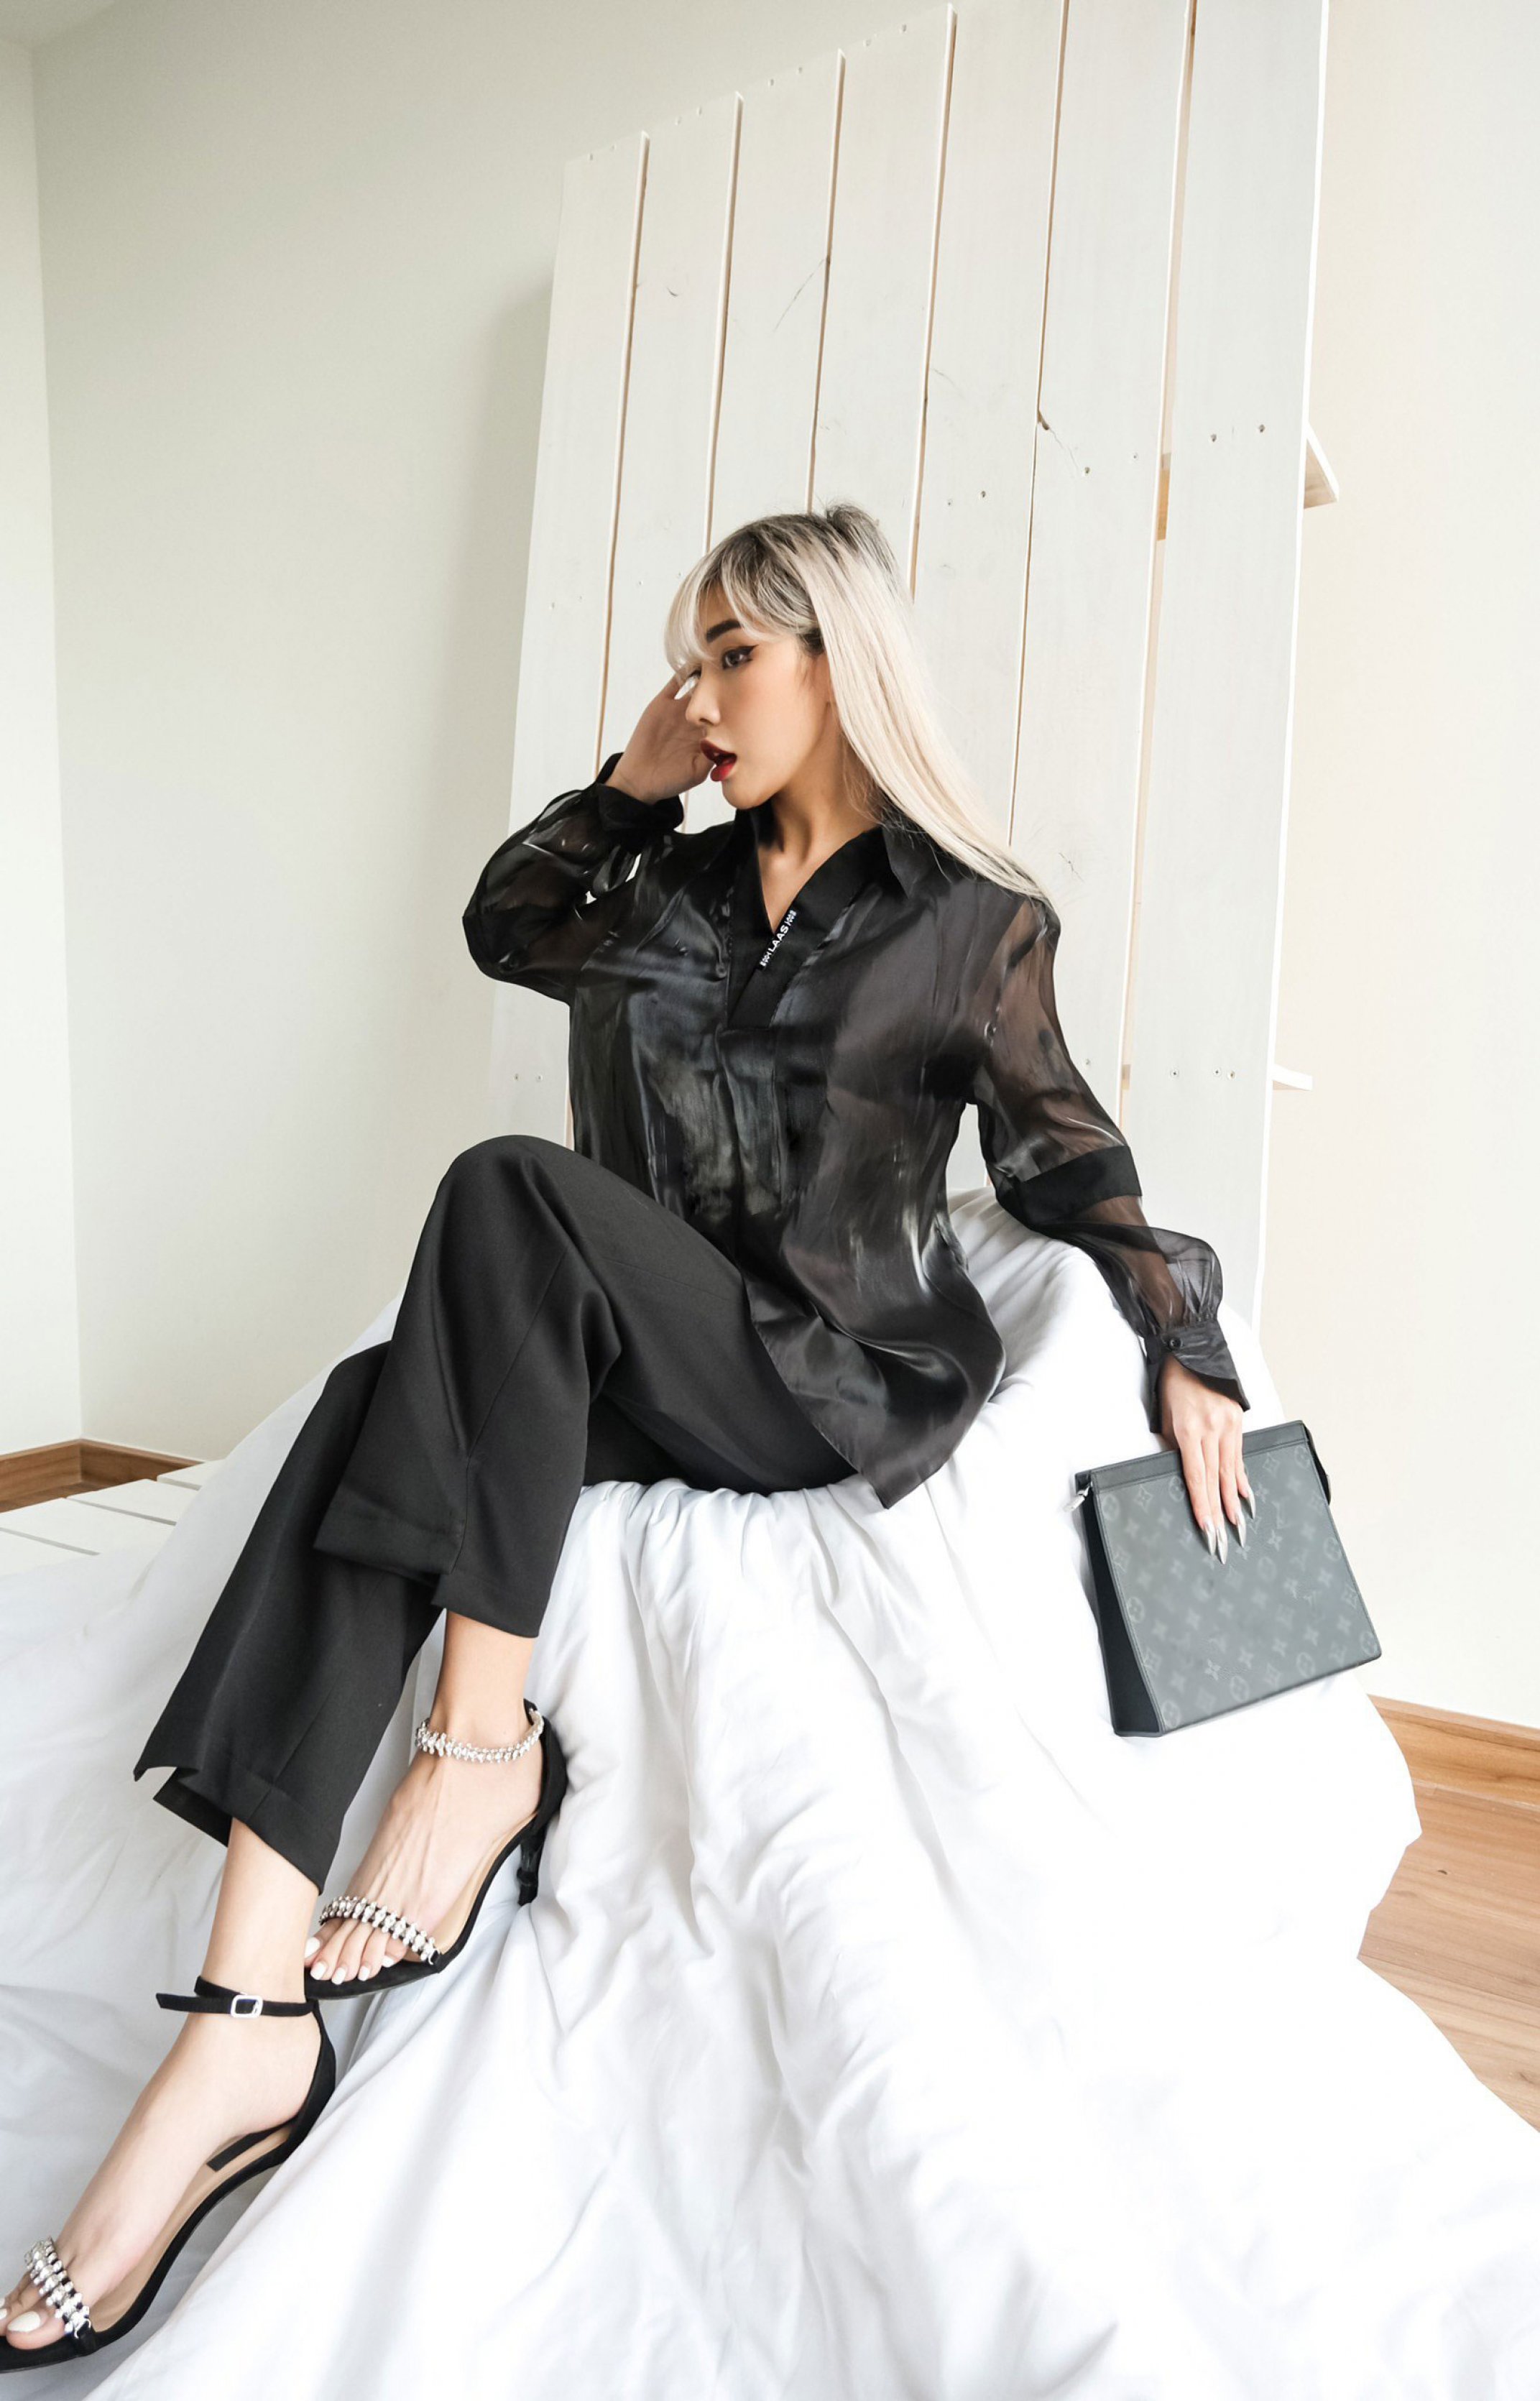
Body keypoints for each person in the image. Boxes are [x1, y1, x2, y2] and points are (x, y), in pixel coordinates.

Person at [2, 502, 1251, 2365]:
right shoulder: (659, 890)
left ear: (838, 662)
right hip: (622, 1360)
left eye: (735, 654)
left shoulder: (971, 923)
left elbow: (1069, 1156)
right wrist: (630, 786)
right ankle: (241, 2020)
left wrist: (1186, 1335)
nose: (704, 695)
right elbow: (501, 924)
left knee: (507, 1185)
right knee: (364, 1409)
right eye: (688, 660)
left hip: (819, 1378)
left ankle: (476, 1749)